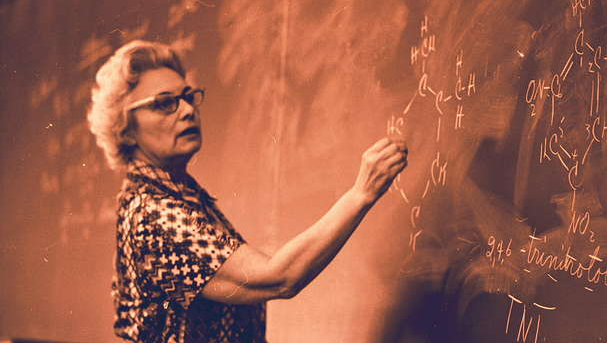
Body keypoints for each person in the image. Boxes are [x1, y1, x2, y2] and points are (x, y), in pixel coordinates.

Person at [87, 40, 408, 343]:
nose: (187, 110)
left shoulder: (174, 196)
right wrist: (360, 194)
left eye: (188, 97)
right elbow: (279, 277)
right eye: (165, 103)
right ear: (126, 130)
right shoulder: (155, 213)